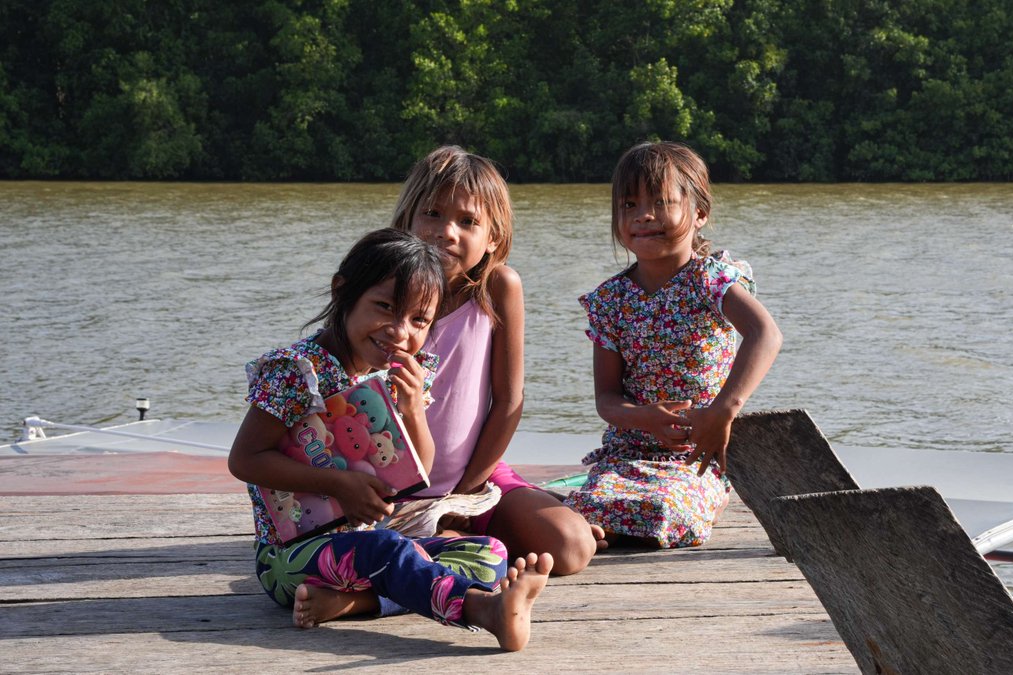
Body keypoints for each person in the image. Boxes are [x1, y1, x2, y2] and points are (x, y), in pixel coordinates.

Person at [227, 228, 552, 651]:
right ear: (342, 292)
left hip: (376, 542)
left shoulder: (402, 374)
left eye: (419, 320)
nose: (401, 333)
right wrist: (338, 484)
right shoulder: (296, 371)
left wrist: (414, 409)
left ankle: (354, 602)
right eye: (384, 307)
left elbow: (423, 465)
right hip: (291, 559)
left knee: (488, 553)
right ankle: (482, 611)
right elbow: (245, 459)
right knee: (384, 549)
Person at [389, 145, 602, 574]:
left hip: (475, 477)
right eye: (432, 213)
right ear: (406, 221)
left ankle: (490, 528)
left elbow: (508, 402)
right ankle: (460, 544)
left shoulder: (496, 288)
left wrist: (464, 495)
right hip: (393, 491)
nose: (447, 232)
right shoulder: (382, 289)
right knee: (438, 554)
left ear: (493, 240)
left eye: (468, 222)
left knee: (571, 546)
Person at [562, 141, 783, 548]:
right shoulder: (611, 300)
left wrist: (722, 411)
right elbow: (607, 401)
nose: (643, 216)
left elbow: (765, 334)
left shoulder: (710, 281)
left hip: (698, 453)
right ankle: (602, 524)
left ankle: (684, 505)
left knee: (664, 508)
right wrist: (647, 417)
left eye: (661, 202)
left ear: (699, 213)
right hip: (629, 452)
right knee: (582, 509)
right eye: (629, 205)